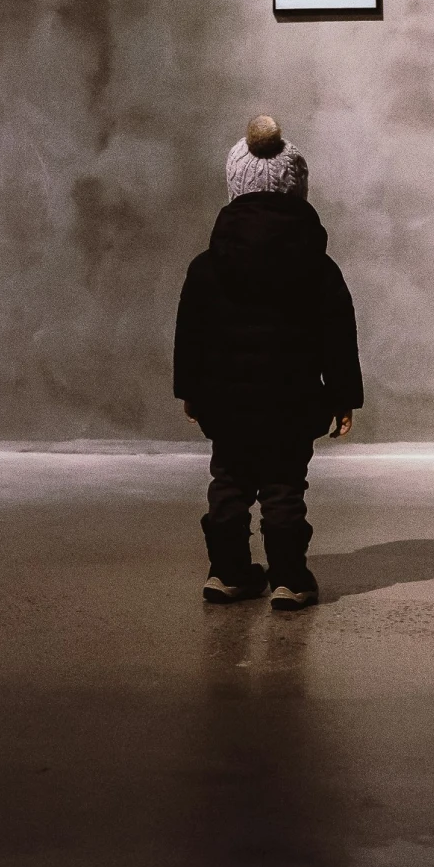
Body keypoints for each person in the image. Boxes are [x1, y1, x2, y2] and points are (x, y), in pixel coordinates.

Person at [174, 115, 363, 610]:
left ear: (234, 187)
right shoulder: (318, 268)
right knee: (283, 487)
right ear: (297, 188)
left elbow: (191, 332)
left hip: (226, 400)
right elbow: (338, 335)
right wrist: (344, 396)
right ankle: (289, 578)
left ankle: (230, 573)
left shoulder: (207, 266)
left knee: (229, 483)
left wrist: (190, 389)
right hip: (291, 401)